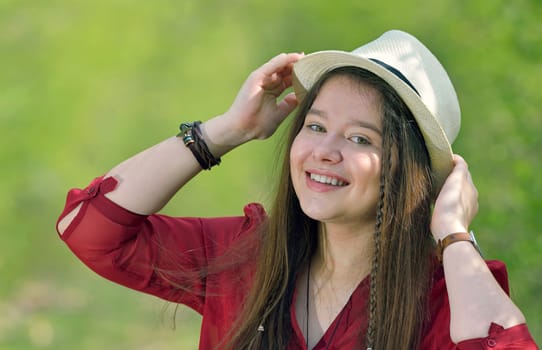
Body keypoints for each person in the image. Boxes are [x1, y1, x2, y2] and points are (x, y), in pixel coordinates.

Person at [56, 30, 538, 349]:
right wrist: (223, 132)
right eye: (315, 126)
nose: (324, 151)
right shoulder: (246, 257)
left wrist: (453, 235)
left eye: (359, 138)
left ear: (404, 169)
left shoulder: (443, 300)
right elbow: (91, 230)